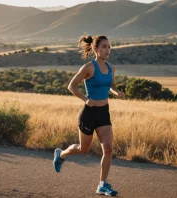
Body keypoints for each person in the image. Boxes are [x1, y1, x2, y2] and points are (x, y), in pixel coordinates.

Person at [53, 35, 125, 196]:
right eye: (104, 47)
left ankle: (102, 185)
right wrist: (86, 99)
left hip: (103, 112)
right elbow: (71, 86)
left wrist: (116, 92)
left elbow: (110, 86)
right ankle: (61, 154)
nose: (107, 50)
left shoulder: (112, 68)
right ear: (95, 49)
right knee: (83, 149)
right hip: (89, 113)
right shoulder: (88, 67)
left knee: (108, 148)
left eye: (109, 47)